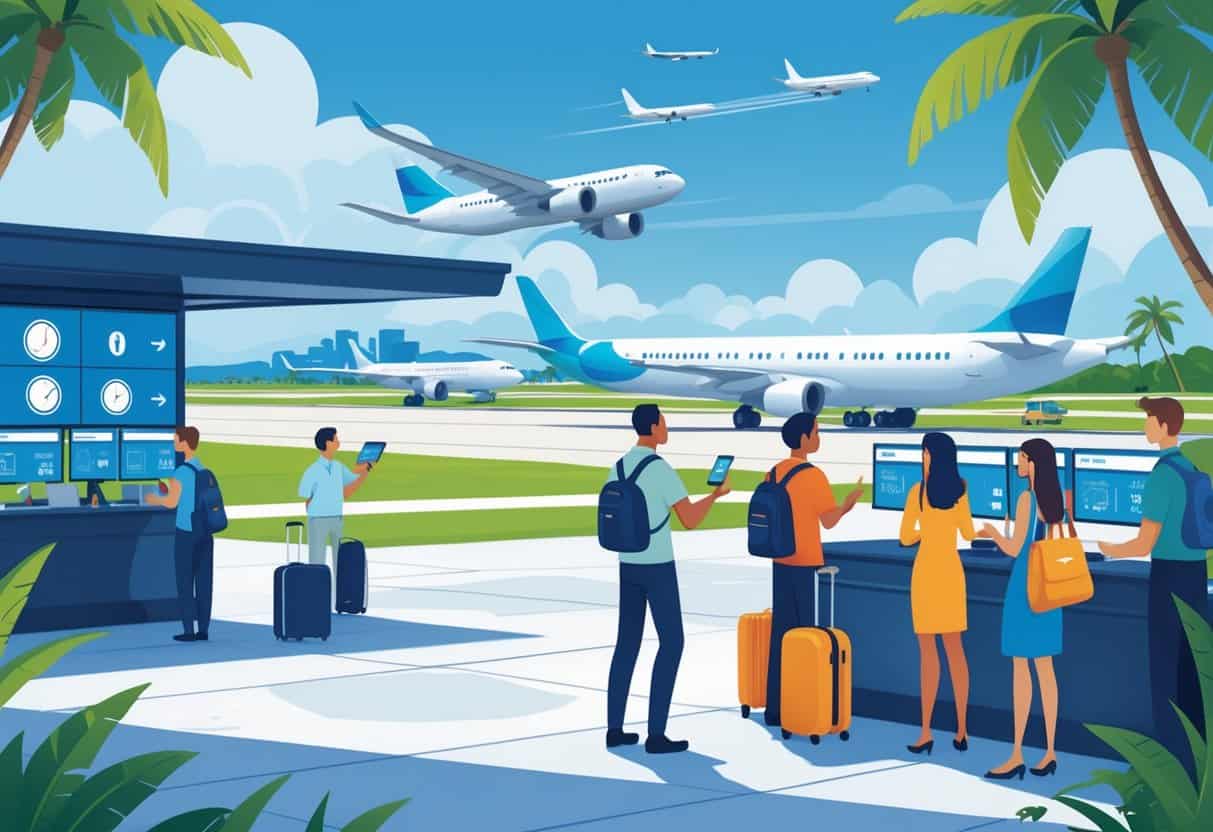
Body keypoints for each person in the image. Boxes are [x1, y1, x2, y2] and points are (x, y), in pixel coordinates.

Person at [606, 404, 730, 754]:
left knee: (626, 644)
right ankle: (656, 734)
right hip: (657, 565)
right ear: (653, 427)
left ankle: (614, 729)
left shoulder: (618, 467)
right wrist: (716, 495)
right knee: (672, 643)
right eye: (664, 422)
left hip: (627, 563)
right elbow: (689, 519)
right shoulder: (660, 470)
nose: (667, 427)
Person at [1099, 397, 1208, 774]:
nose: (1144, 426)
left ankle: (1171, 766)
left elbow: (1144, 543)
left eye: (1148, 419)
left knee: (1165, 674)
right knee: (1193, 671)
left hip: (1169, 576)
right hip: (1196, 575)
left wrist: (1108, 549)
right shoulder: (1192, 468)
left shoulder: (1162, 475)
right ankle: (1198, 766)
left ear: (1163, 425)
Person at [763, 412, 864, 728]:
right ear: (805, 438)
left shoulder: (773, 473)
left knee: (781, 636)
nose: (819, 437)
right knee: (808, 638)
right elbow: (829, 520)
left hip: (780, 561)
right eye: (817, 432)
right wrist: (848, 503)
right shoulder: (813, 475)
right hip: (806, 563)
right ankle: (804, 706)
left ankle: (775, 707)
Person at [979, 438, 1065, 780]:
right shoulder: (1058, 501)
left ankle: (1016, 752)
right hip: (1050, 588)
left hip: (1024, 587)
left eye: (1022, 457)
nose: (1018, 461)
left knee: (1020, 669)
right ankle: (1050, 751)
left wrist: (992, 533)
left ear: (1033, 463)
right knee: (1046, 669)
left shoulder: (1027, 498)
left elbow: (1016, 548)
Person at [898, 432, 974, 755]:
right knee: (955, 651)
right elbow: (968, 532)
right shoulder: (961, 490)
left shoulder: (917, 493)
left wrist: (923, 533)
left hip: (926, 574)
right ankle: (962, 729)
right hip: (951, 574)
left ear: (929, 456)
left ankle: (926, 730)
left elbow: (904, 537)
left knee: (927, 655)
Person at [146, 426, 213, 643]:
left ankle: (188, 630)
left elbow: (172, 502)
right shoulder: (204, 469)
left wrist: (154, 498)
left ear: (185, 443)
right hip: (206, 532)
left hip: (187, 532)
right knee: (204, 582)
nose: (174, 443)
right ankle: (203, 629)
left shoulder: (181, 472)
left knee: (185, 581)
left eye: (176, 439)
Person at [297, 428, 371, 591]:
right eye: (335, 439)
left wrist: (364, 471)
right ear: (327, 443)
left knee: (340, 560)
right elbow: (306, 497)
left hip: (336, 518)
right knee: (317, 560)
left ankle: (339, 595)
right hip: (318, 520)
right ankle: (316, 593)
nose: (338, 442)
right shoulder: (313, 470)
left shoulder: (338, 467)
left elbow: (352, 482)